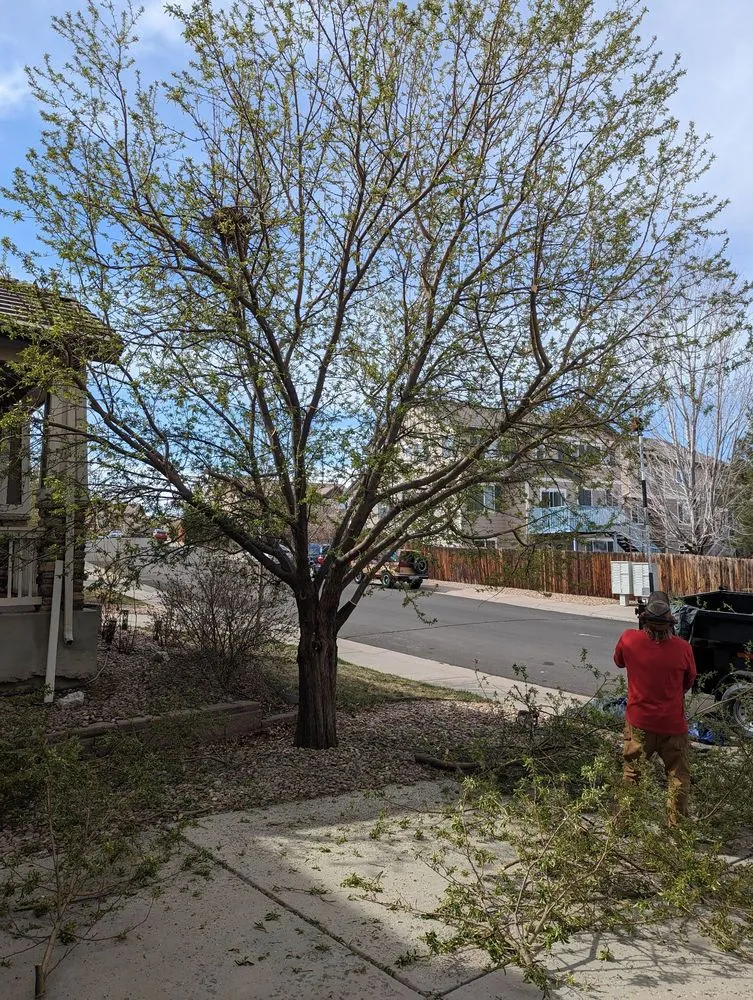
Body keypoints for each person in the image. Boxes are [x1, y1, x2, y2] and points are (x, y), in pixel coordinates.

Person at [613, 591, 697, 826]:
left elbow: (619, 661)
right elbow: (688, 681)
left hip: (639, 723)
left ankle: (622, 823)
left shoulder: (629, 639)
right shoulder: (683, 649)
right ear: (671, 621)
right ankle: (676, 825)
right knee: (678, 776)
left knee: (632, 773)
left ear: (644, 618)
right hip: (672, 725)